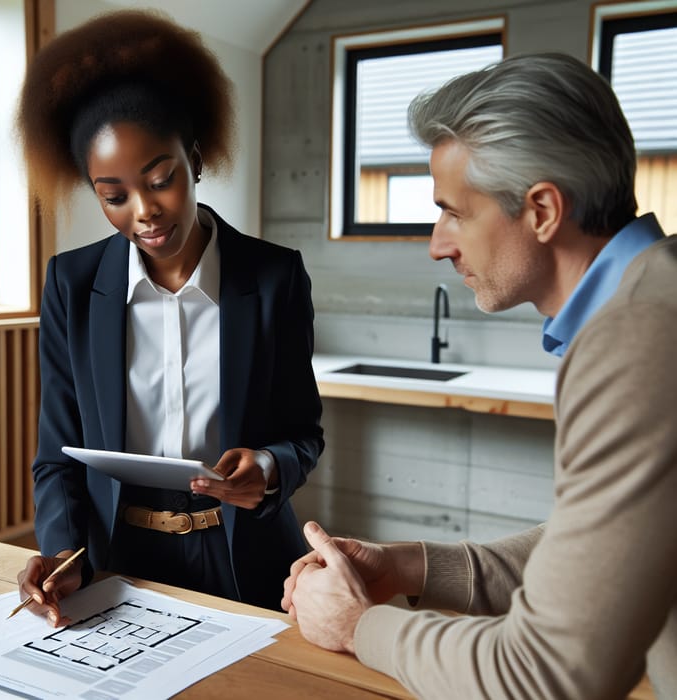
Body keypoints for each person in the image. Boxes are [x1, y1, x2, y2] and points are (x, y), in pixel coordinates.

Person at [282, 52, 677, 699]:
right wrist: (406, 567)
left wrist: (362, 627)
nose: (438, 243)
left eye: (454, 212)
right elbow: (606, 547)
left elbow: (545, 675)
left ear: (544, 210)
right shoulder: (656, 295)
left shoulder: (637, 338)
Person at [14, 9, 324, 623]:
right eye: (114, 195)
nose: (144, 212)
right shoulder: (71, 285)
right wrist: (59, 550)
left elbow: (303, 433)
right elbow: (57, 454)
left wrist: (265, 468)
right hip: (115, 559)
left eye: (161, 180)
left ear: (196, 161)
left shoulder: (274, 277)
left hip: (247, 556)